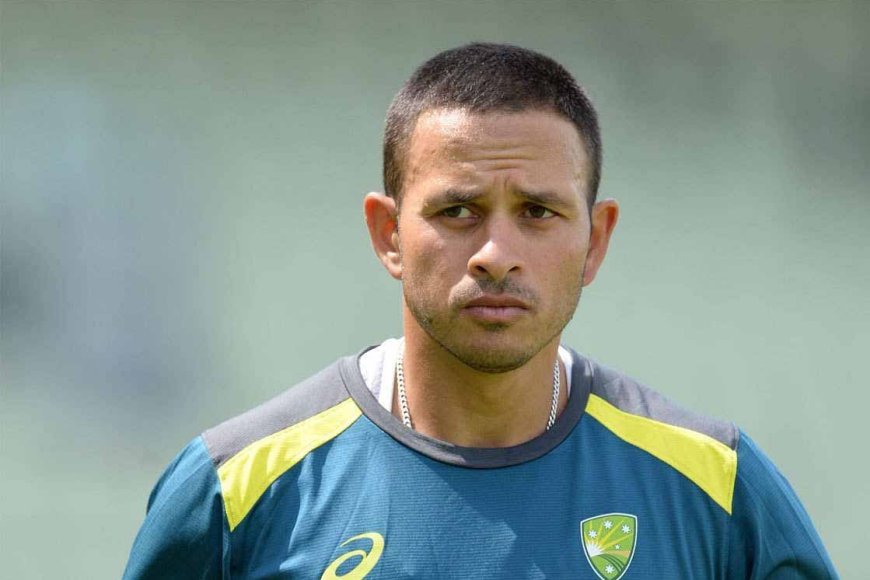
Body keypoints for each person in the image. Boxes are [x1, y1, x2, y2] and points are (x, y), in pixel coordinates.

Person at [124, 43, 837, 579]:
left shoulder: (716, 489)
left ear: (595, 241)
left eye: (538, 212)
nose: (497, 253)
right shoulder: (233, 491)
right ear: (388, 234)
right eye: (458, 210)